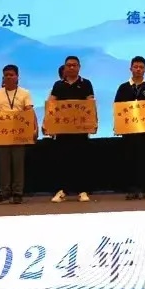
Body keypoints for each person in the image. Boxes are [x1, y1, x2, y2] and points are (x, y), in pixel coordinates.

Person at [0, 64, 36, 205]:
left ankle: (18, 193)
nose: (8, 77)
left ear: (17, 77)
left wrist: (35, 128)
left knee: (18, 164)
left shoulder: (25, 93)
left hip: (19, 133)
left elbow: (29, 112)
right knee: (3, 165)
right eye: (6, 75)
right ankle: (4, 193)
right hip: (2, 134)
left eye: (11, 75)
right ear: (3, 77)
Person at [48, 56, 96, 203]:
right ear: (65, 67)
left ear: (79, 67)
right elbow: (51, 104)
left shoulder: (86, 83)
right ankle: (62, 191)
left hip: (80, 130)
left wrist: (94, 122)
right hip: (63, 130)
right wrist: (48, 124)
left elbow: (90, 104)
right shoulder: (58, 85)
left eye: (74, 65)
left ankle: (82, 191)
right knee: (62, 161)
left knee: (81, 160)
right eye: (68, 65)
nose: (71, 67)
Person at [114, 56, 145, 199]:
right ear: (131, 68)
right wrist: (118, 126)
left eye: (141, 67)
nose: (138, 69)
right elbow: (118, 108)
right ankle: (132, 189)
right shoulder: (123, 87)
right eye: (136, 67)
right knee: (130, 159)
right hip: (129, 131)